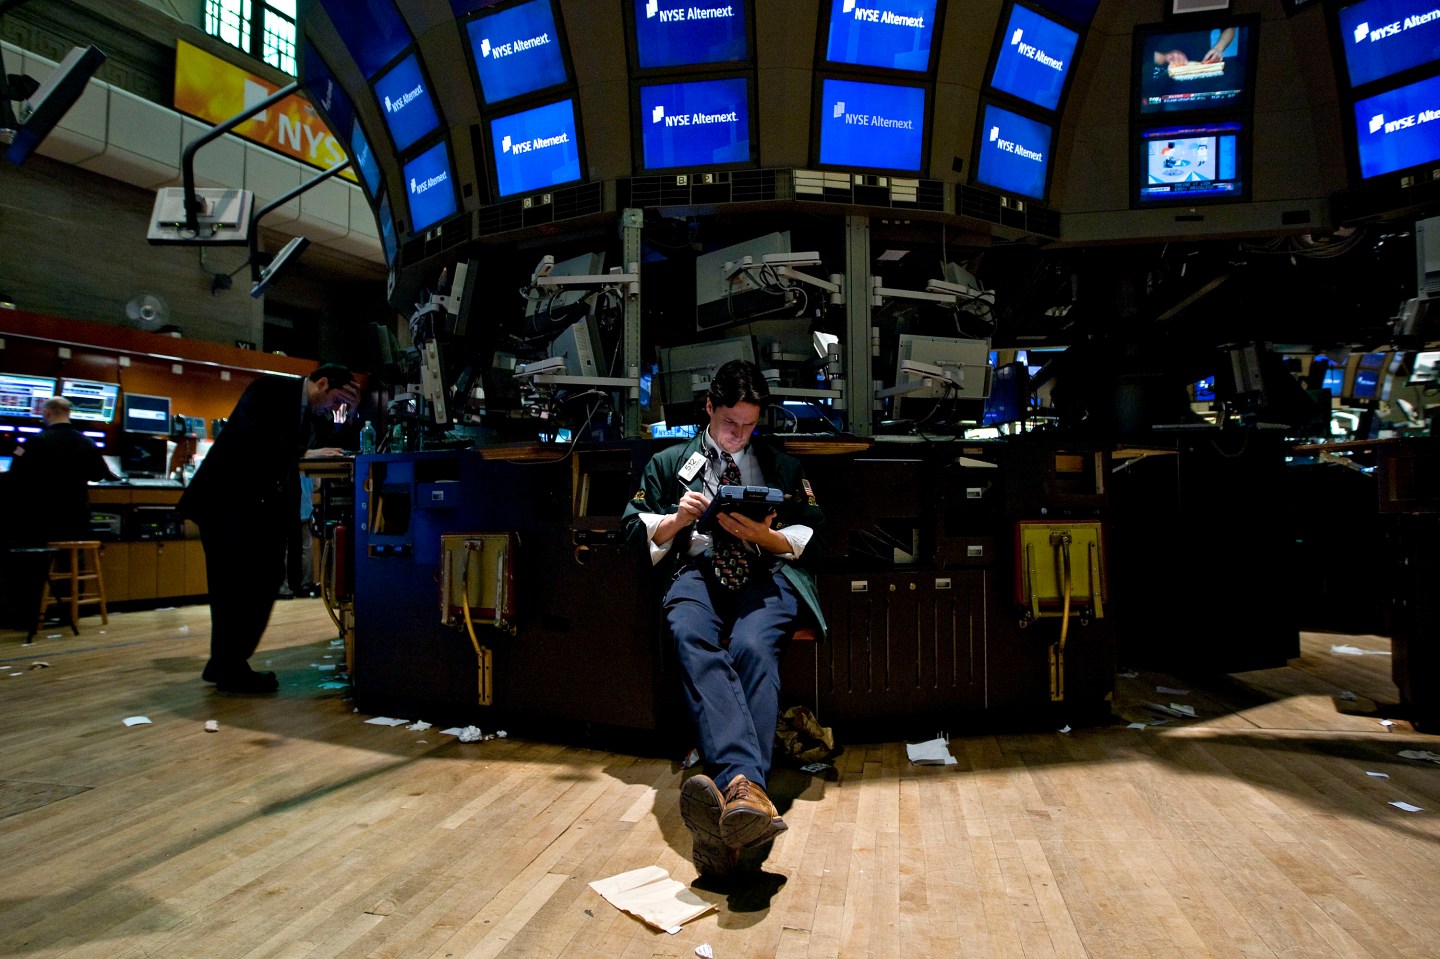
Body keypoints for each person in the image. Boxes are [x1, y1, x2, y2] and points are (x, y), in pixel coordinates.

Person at [621, 360, 826, 879]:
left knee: (754, 647)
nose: (738, 435)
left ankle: (729, 797)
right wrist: (676, 520)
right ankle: (746, 790)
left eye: (750, 426)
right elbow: (630, 531)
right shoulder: (669, 462)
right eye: (730, 422)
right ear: (708, 408)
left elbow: (815, 532)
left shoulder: (780, 465)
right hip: (697, 573)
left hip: (764, 575)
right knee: (691, 635)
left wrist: (768, 539)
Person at [179, 363, 358, 693]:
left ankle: (225, 663)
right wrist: (303, 452)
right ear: (321, 383)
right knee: (235, 585)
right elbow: (252, 437)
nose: (336, 409)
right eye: (336, 401)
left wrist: (344, 415)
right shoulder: (270, 390)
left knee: (260, 579)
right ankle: (229, 667)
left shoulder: (311, 413)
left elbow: (328, 444)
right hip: (225, 503)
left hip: (252, 508)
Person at [7, 395, 116, 546]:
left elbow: (15, 476)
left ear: (47, 413)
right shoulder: (88, 443)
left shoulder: (34, 442)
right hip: (75, 519)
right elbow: (97, 475)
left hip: (40, 519)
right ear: (68, 413)